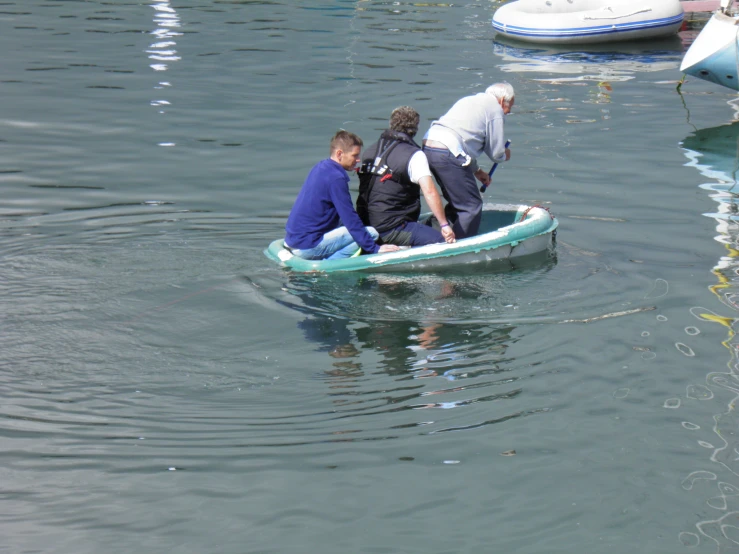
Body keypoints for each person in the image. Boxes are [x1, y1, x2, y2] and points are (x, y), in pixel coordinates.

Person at [285, 130, 400, 260]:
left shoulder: (320, 167)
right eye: (354, 155)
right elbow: (349, 217)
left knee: (353, 229)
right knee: (372, 233)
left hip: (292, 240)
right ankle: (327, 264)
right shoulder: (336, 178)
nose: (358, 160)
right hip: (307, 246)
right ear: (340, 153)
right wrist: (375, 248)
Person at [422, 82, 514, 239]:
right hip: (447, 151)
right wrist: (506, 154)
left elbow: (461, 141)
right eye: (508, 108)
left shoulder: (469, 100)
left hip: (429, 146)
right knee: (471, 206)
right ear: (502, 100)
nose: (507, 112)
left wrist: (477, 171)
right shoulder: (495, 109)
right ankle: (461, 246)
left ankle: (428, 236)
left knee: (458, 201)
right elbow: (496, 154)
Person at [356, 106, 455, 247]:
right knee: (441, 240)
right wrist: (444, 225)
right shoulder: (414, 155)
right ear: (416, 128)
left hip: (365, 224)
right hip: (390, 228)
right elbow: (429, 191)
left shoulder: (370, 151)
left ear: (391, 124)